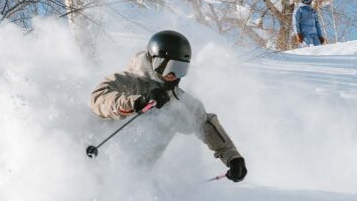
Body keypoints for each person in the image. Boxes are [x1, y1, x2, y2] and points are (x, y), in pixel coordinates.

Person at [89, 30, 247, 182]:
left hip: (135, 179)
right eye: (168, 67)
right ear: (154, 62)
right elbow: (99, 98)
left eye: (180, 69)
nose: (173, 75)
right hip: (98, 165)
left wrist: (233, 158)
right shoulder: (130, 82)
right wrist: (137, 102)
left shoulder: (179, 101)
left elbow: (205, 125)